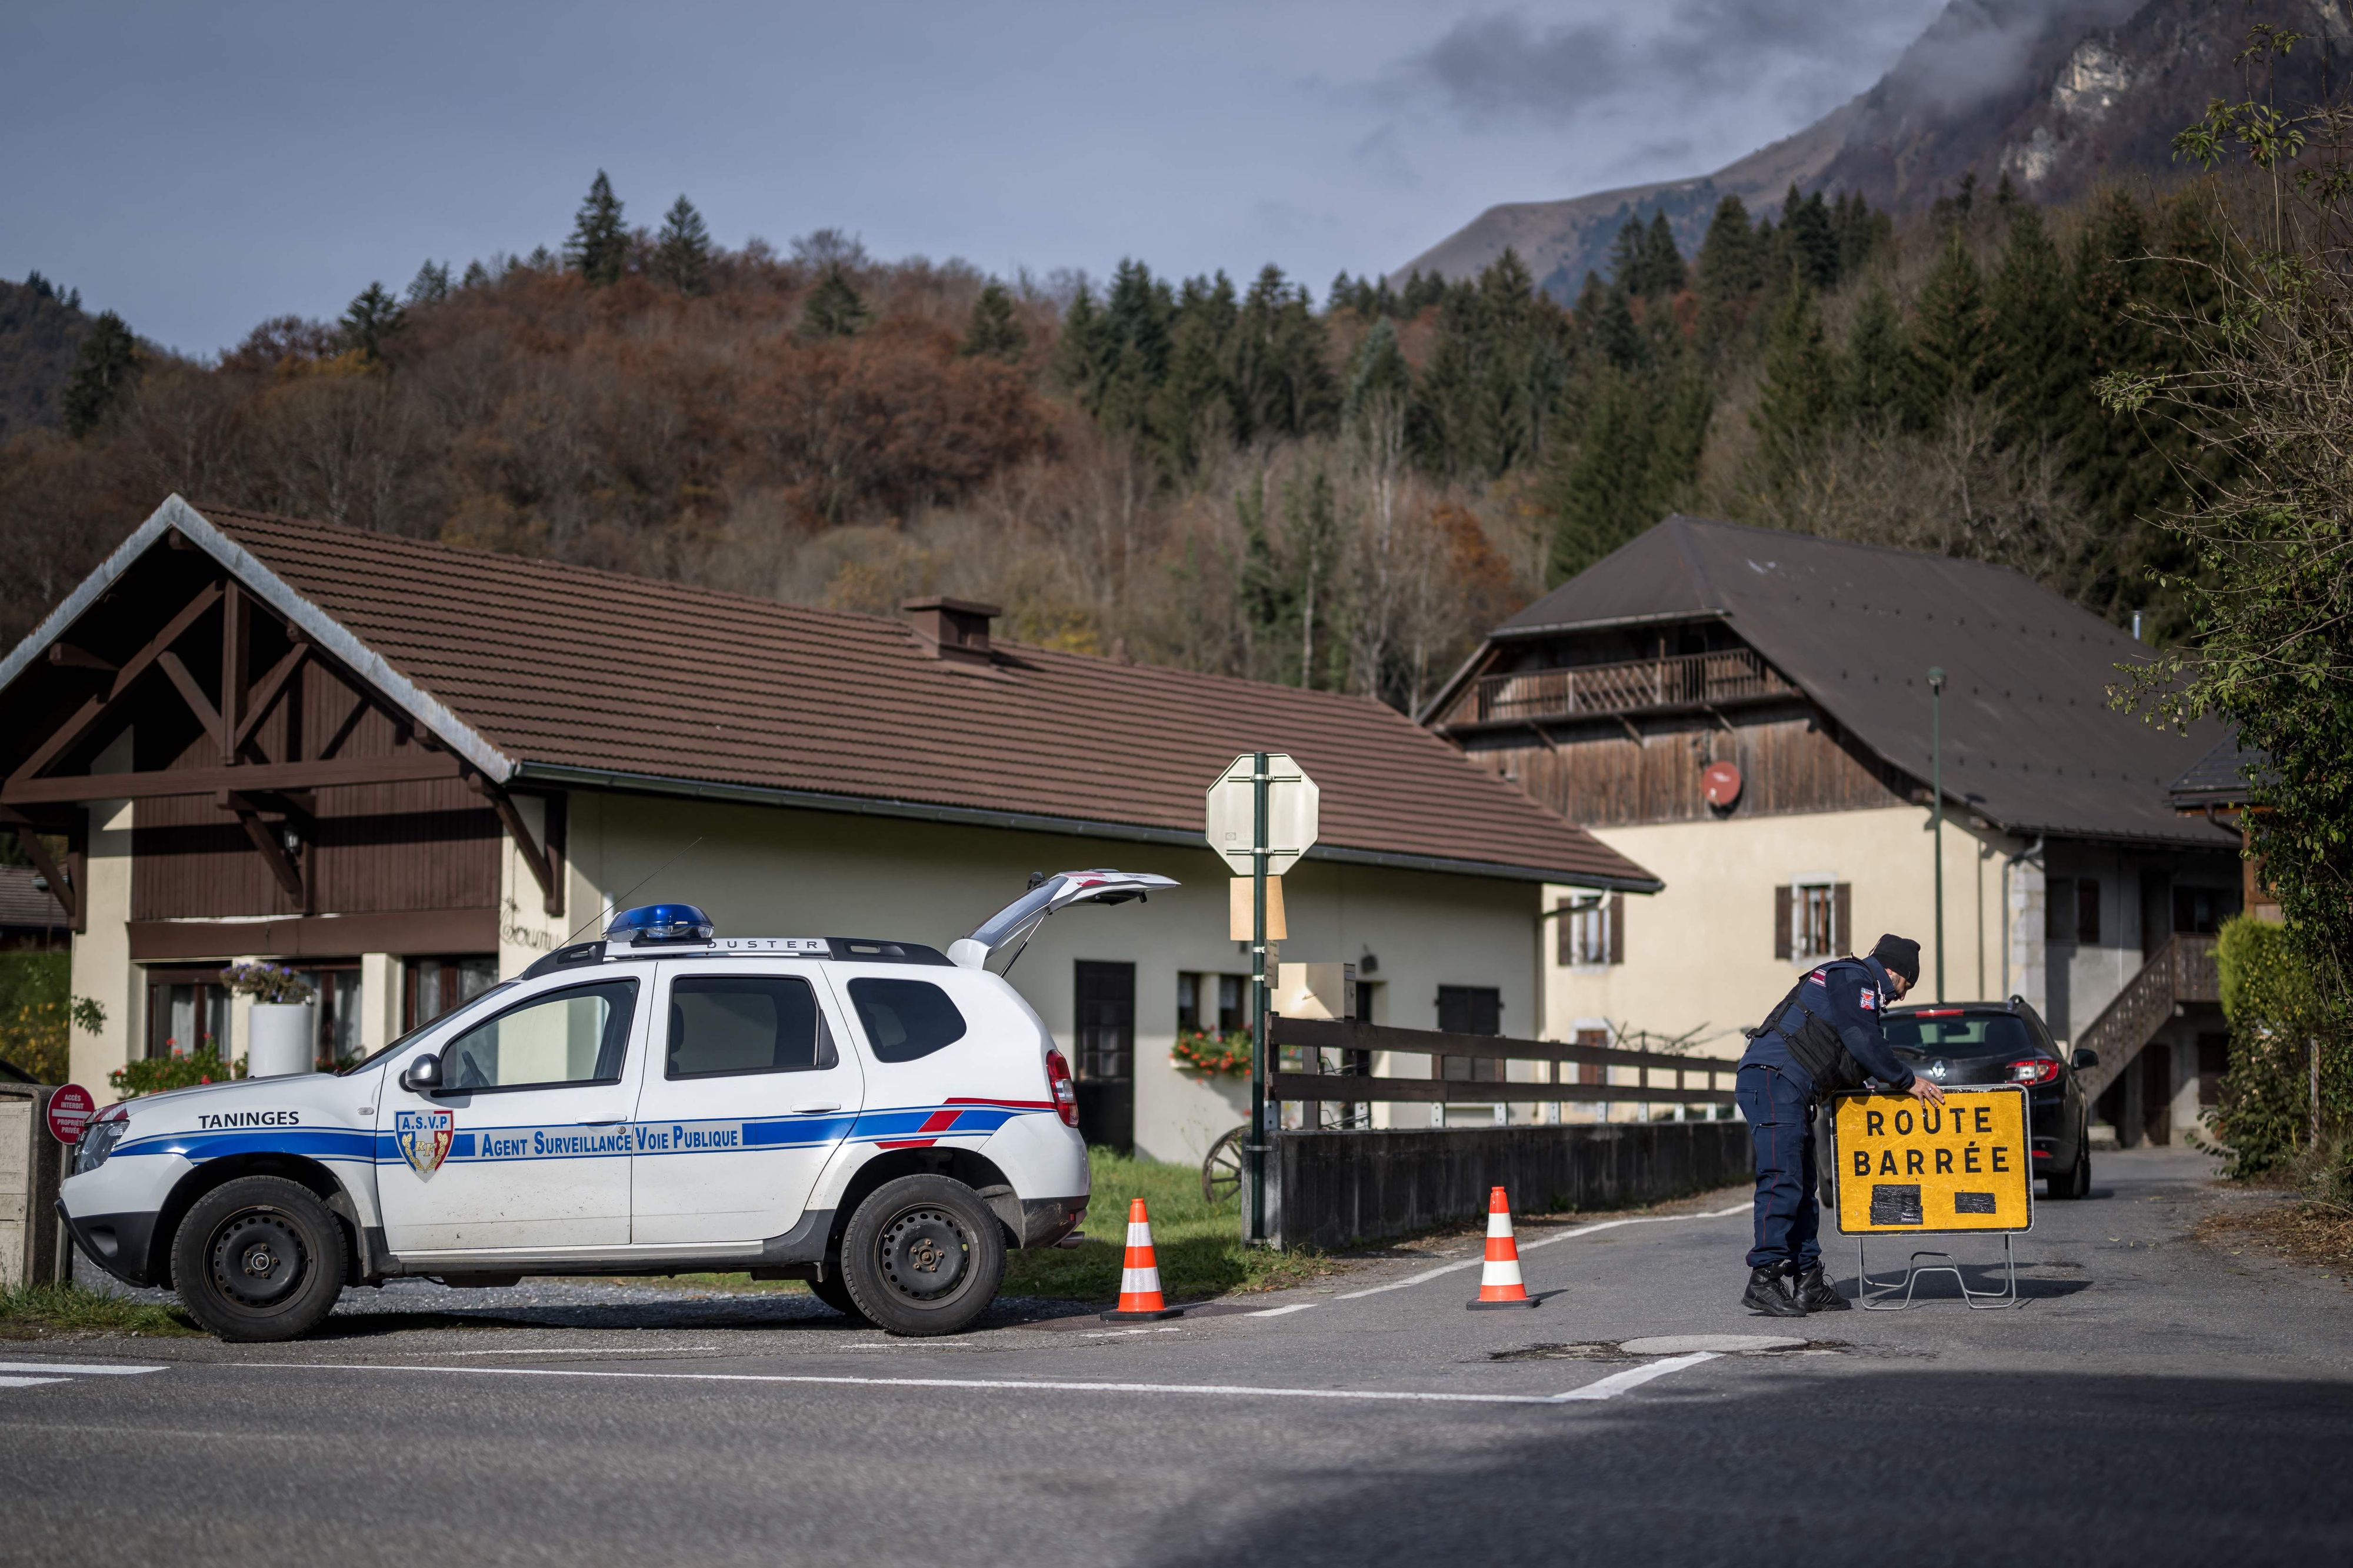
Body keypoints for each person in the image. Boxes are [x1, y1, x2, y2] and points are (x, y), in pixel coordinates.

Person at [1735, 933, 1945, 1317]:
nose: (1902, 995)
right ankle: (1764, 1277)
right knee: (1782, 1179)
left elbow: (1849, 1052)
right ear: (1895, 971)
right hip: (1773, 1078)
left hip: (1786, 1083)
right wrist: (1907, 1081)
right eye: (1907, 985)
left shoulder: (1851, 982)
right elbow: (1861, 1039)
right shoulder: (1855, 978)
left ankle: (1808, 1281)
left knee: (1803, 1188)